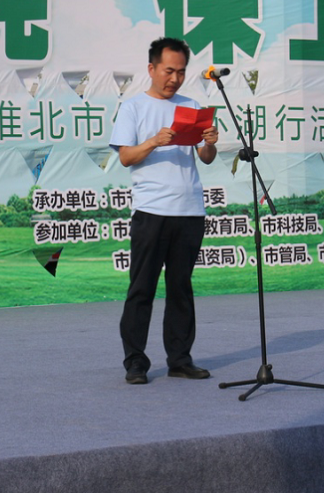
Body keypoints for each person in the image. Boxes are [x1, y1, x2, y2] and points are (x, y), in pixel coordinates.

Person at [109, 37, 218, 385]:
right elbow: (126, 157)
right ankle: (135, 362)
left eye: (181, 72)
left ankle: (180, 359)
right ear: (152, 68)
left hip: (190, 210)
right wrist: (154, 141)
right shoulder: (133, 108)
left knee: (181, 288)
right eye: (169, 71)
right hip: (152, 211)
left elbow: (205, 157)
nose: (175, 79)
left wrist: (210, 143)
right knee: (142, 288)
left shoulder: (192, 106)